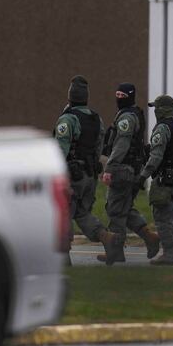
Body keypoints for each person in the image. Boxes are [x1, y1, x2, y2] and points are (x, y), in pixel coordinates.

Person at [53, 75, 120, 265]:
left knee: (62, 213)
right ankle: (106, 237)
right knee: (82, 213)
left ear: (70, 97)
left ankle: (63, 258)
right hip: (89, 175)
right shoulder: (95, 118)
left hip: (71, 176)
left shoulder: (67, 120)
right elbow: (99, 147)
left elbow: (60, 152)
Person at [97, 82, 160, 264]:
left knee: (115, 210)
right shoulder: (130, 115)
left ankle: (115, 251)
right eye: (117, 94)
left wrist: (110, 167)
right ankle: (149, 237)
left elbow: (121, 145)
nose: (119, 98)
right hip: (129, 168)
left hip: (122, 168)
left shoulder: (127, 118)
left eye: (123, 96)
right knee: (124, 208)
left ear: (130, 97)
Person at [135, 95, 173, 265]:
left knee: (162, 216)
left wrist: (143, 176)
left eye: (156, 108)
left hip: (165, 179)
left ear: (161, 109)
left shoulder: (162, 128)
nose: (155, 111)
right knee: (172, 216)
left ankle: (170, 254)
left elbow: (156, 157)